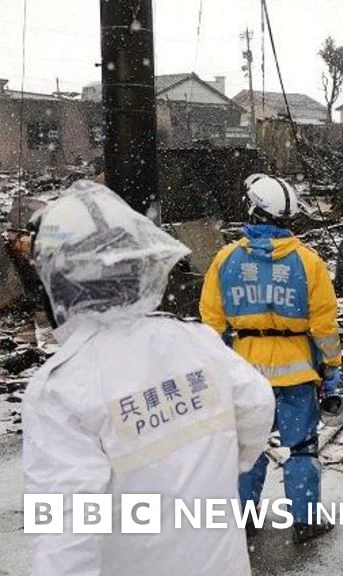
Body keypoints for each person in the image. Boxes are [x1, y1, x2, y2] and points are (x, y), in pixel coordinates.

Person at [23, 181, 275, 575]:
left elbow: (65, 534)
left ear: (58, 282)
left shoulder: (62, 388)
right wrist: (213, 466)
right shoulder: (195, 341)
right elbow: (258, 406)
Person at [200, 174, 343, 544]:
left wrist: (215, 372)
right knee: (303, 448)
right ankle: (306, 520)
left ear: (252, 209)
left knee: (249, 448)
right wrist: (331, 369)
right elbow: (324, 324)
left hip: (245, 372)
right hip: (297, 373)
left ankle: (243, 519)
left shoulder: (226, 260)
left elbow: (211, 324)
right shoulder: (308, 262)